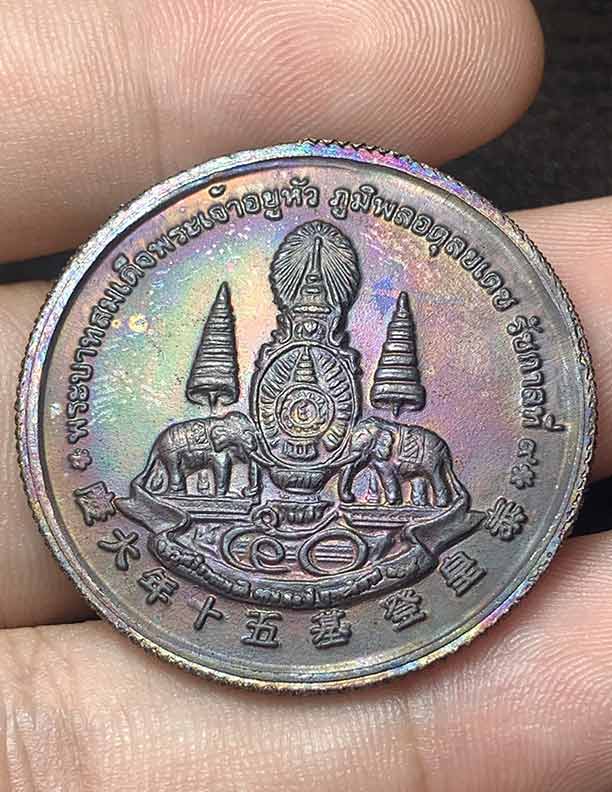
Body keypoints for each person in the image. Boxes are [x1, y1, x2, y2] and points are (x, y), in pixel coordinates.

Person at [0, 1, 610, 789]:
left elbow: (335, 424)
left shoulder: (356, 397)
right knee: (191, 448)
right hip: (282, 476)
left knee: (408, 460)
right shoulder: (263, 390)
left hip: (341, 476)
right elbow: (277, 421)